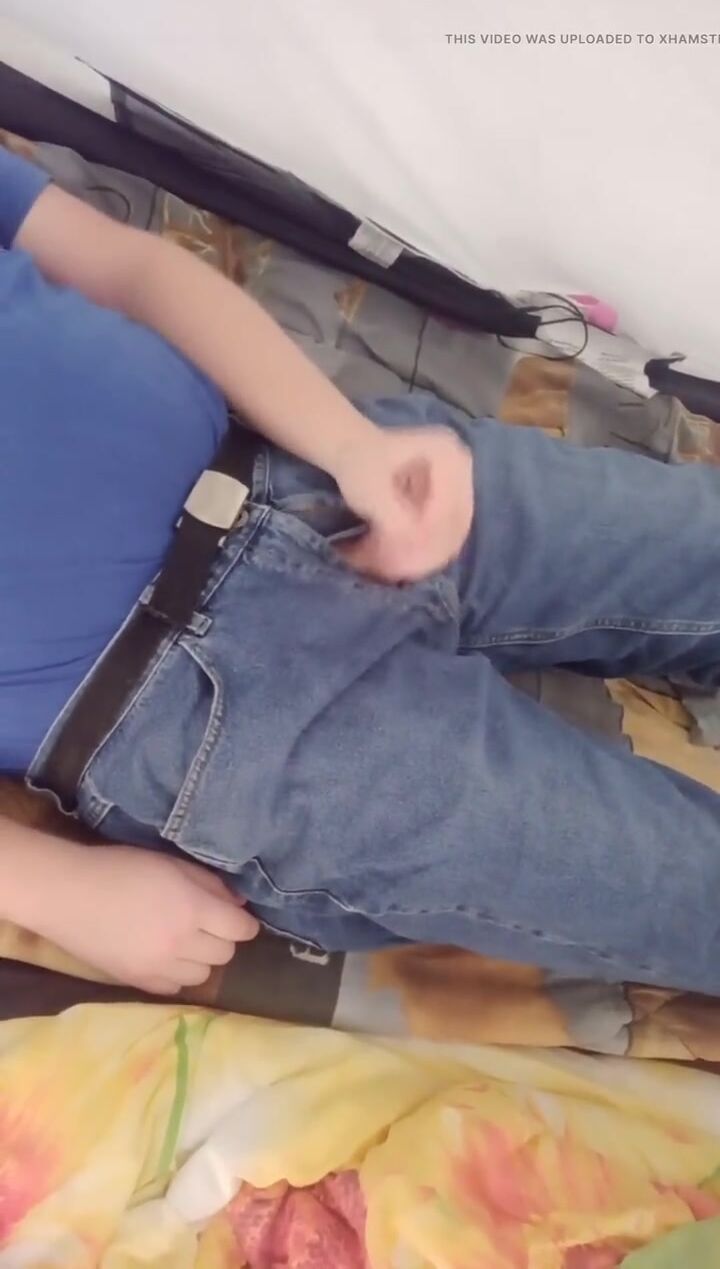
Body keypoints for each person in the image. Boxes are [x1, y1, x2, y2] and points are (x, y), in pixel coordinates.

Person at [2, 145, 720, 1002]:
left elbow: (126, 266)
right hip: (195, 716)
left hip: (304, 470)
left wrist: (349, 446)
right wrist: (57, 890)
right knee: (687, 887)